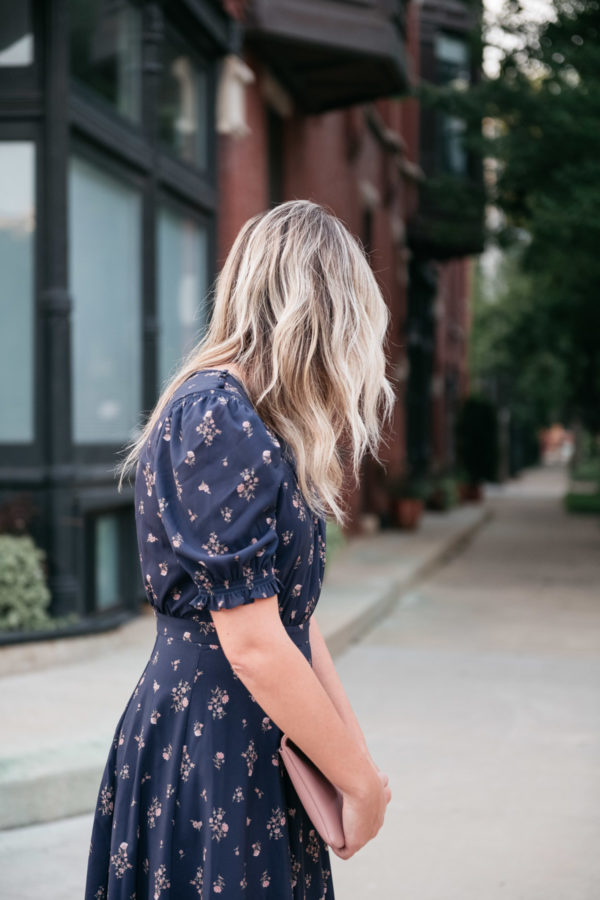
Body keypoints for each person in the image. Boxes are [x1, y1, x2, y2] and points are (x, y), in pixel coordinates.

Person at [84, 199, 394, 899]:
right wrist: (356, 783)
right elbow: (253, 645)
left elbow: (297, 622)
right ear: (320, 312)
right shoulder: (216, 415)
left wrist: (357, 770)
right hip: (211, 751)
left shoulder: (258, 424)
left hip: (259, 746)